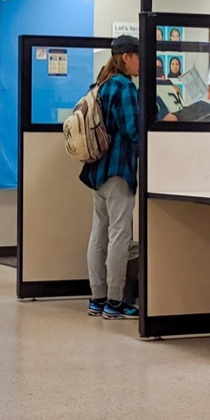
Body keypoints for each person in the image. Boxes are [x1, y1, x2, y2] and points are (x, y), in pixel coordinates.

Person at [79, 35, 145, 320]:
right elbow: (133, 130)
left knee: (99, 233)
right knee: (120, 235)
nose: (142, 62)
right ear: (126, 57)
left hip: (99, 171)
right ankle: (116, 302)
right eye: (139, 56)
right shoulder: (124, 86)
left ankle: (97, 297)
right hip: (119, 171)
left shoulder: (101, 84)